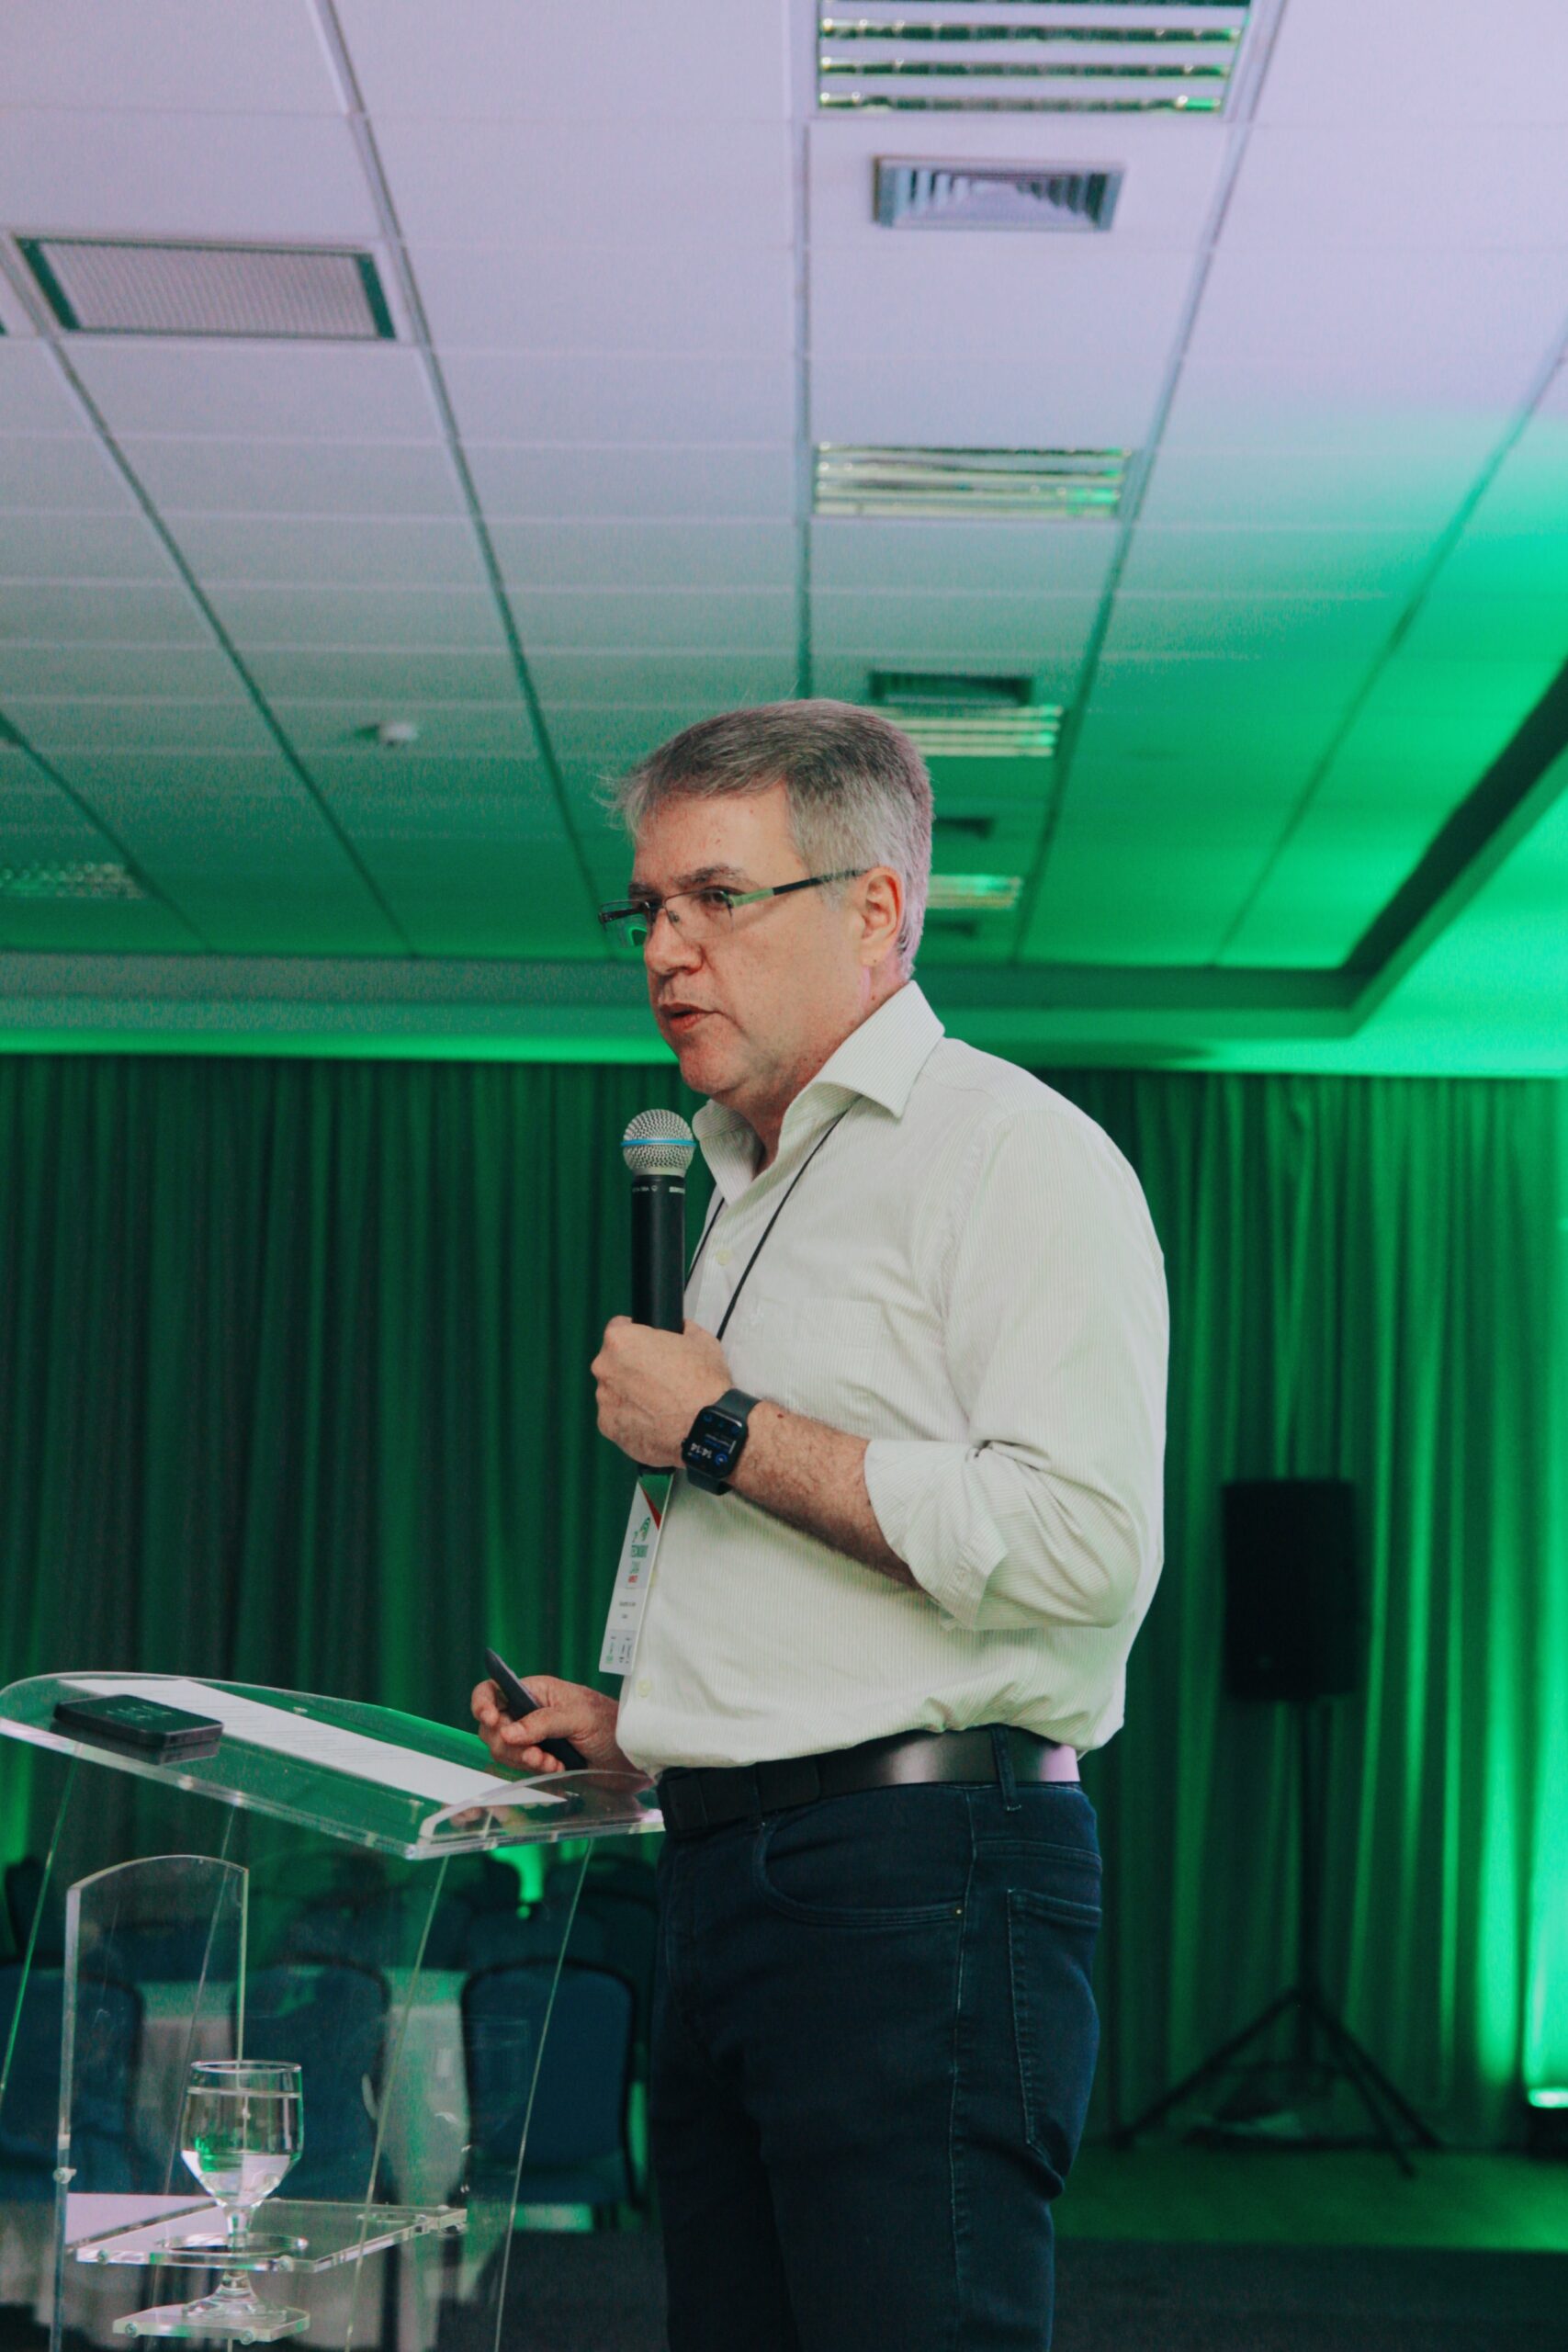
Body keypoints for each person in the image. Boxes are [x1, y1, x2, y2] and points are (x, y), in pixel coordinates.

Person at [470, 699, 1168, 2350]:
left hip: (922, 1884)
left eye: (720, 898)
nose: (667, 950)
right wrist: (651, 1733)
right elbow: (831, 1592)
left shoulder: (1011, 1154)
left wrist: (720, 1430)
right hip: (729, 1872)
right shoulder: (745, 1182)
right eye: (649, 907)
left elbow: (1083, 1550)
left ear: (876, 909)